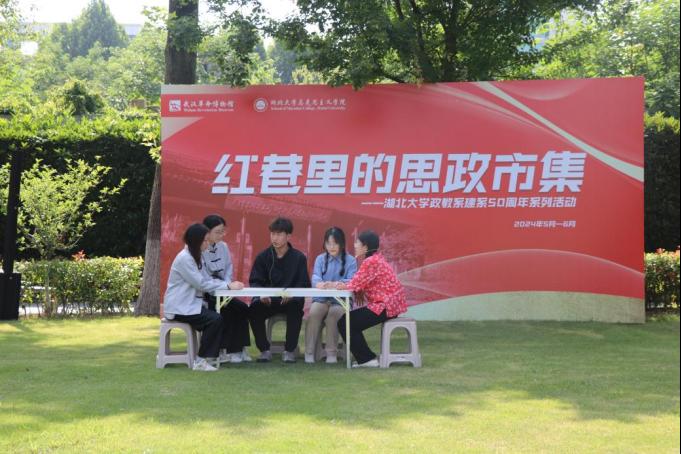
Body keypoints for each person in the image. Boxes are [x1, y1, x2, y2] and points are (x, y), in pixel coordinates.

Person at [163, 223, 230, 372]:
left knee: (219, 315)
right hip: (179, 307)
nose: (208, 243)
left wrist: (227, 285)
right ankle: (201, 361)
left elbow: (207, 279)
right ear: (196, 241)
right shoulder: (185, 259)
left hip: (188, 305)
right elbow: (201, 284)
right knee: (215, 319)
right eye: (205, 240)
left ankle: (213, 356)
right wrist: (228, 286)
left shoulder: (196, 256)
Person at [336, 230, 407, 368]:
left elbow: (353, 283)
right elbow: (360, 282)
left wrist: (336, 285)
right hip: (389, 306)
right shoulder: (376, 258)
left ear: (365, 246)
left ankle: (367, 359)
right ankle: (367, 357)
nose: (355, 245)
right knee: (348, 321)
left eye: (357, 242)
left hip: (384, 306)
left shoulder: (370, 261)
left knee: (345, 322)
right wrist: (356, 288)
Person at [248, 217, 311, 363]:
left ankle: (289, 351)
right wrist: (261, 294)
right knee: (254, 309)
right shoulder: (262, 257)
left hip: (290, 300)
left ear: (288, 236)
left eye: (279, 234)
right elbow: (255, 281)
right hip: (268, 300)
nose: (274, 238)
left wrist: (292, 294)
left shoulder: (299, 258)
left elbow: (303, 283)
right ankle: (264, 350)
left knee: (295, 309)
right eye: (272, 234)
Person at [201, 214, 251, 364]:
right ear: (207, 232)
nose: (221, 235)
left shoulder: (224, 246)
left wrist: (227, 285)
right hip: (207, 293)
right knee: (224, 310)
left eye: (223, 231)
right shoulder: (200, 249)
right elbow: (204, 279)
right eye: (217, 232)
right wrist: (225, 286)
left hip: (223, 290)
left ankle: (239, 349)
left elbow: (229, 268)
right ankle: (224, 350)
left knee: (241, 308)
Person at [304, 227, 357, 364]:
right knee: (314, 313)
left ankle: (331, 353)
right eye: (328, 243)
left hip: (341, 301)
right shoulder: (320, 259)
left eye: (335, 243)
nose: (331, 247)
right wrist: (319, 284)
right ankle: (309, 352)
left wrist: (335, 284)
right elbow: (315, 277)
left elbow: (352, 281)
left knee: (333, 315)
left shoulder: (351, 260)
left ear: (342, 243)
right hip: (322, 299)